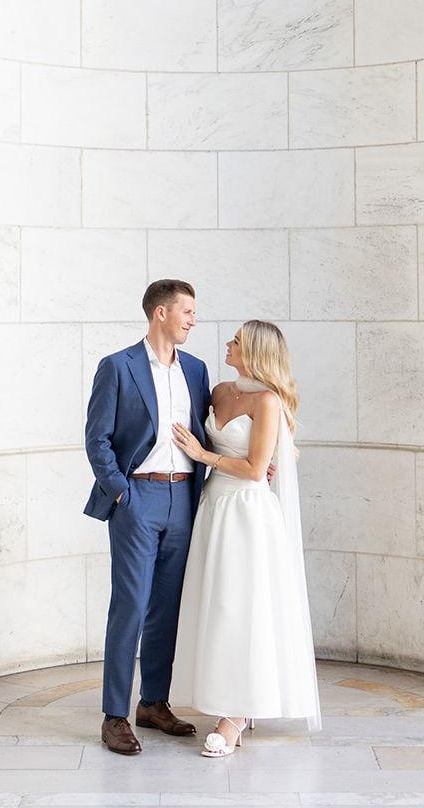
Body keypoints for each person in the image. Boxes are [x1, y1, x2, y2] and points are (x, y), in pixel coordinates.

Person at [167, 319, 321, 756]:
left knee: (240, 609)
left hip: (246, 513)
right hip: (213, 507)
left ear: (254, 350)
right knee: (215, 606)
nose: (228, 344)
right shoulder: (219, 391)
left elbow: (256, 470)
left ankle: (235, 716)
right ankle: (225, 699)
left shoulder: (268, 401)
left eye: (236, 340)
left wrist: (204, 455)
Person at [82, 279, 212, 756]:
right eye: (187, 311)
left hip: (184, 498)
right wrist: (122, 493)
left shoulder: (196, 369)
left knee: (167, 608)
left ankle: (153, 703)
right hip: (138, 497)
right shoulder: (118, 366)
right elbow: (97, 438)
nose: (193, 319)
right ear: (161, 313)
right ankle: (114, 715)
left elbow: (208, 433)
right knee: (131, 606)